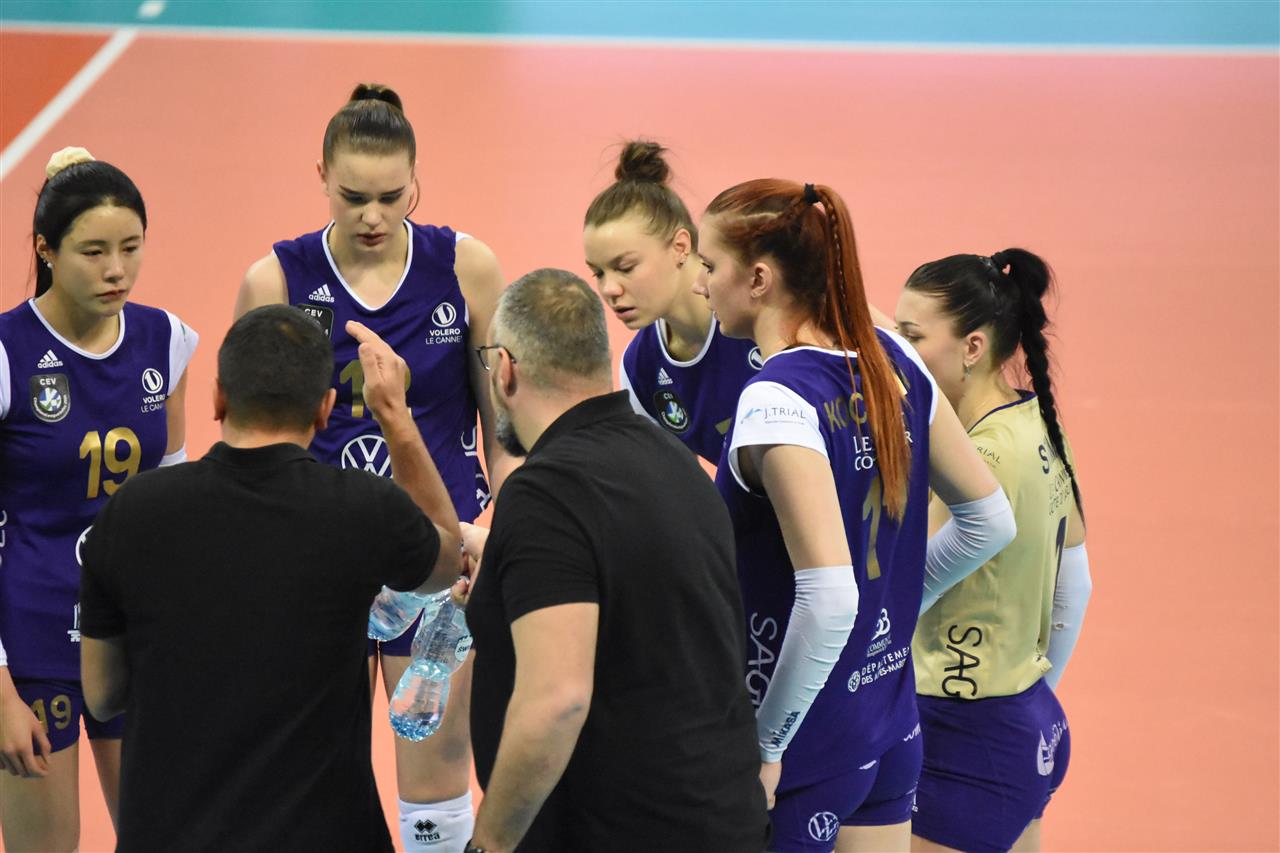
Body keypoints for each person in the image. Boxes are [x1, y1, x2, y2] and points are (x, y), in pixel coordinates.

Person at [696, 180, 1016, 853]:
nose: (700, 283)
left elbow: (831, 597)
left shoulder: (777, 400)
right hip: (887, 721)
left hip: (799, 744)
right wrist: (891, 610)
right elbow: (989, 519)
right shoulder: (895, 359)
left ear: (758, 279)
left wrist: (767, 746)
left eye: (708, 264)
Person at [78, 305, 463, 852]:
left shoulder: (129, 512)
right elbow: (446, 564)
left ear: (218, 398)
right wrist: (394, 415)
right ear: (325, 408)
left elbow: (101, 695)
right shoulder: (363, 508)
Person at [235, 83, 509, 849]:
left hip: (439, 554)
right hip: (321, 560)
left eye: (392, 197)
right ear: (320, 175)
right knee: (318, 775)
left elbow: (504, 426)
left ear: (416, 180)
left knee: (436, 777)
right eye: (353, 197)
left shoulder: (466, 268)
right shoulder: (276, 282)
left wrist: (500, 526)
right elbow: (255, 440)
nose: (373, 216)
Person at [454, 268, 770, 853]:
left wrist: (489, 843)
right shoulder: (674, 462)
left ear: (505, 369)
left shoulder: (544, 492)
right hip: (720, 819)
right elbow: (634, 596)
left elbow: (557, 701)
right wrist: (508, 575)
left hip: (619, 831)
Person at [0, 148, 196, 852]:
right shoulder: (7, 353)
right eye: (93, 252)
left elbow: (173, 503)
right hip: (32, 637)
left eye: (131, 248)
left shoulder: (166, 340)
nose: (117, 269)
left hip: (133, 631)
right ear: (45, 249)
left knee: (168, 835)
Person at [895, 250, 1090, 853]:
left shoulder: (976, 463)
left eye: (912, 337)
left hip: (962, 738)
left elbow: (903, 592)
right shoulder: (1038, 425)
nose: (899, 353)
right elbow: (1076, 587)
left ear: (972, 348)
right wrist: (1030, 693)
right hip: (1025, 726)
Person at [583, 140, 763, 462]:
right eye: (598, 273)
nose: (609, 289)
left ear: (680, 247)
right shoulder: (640, 368)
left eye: (626, 267)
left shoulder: (759, 310)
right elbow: (677, 485)